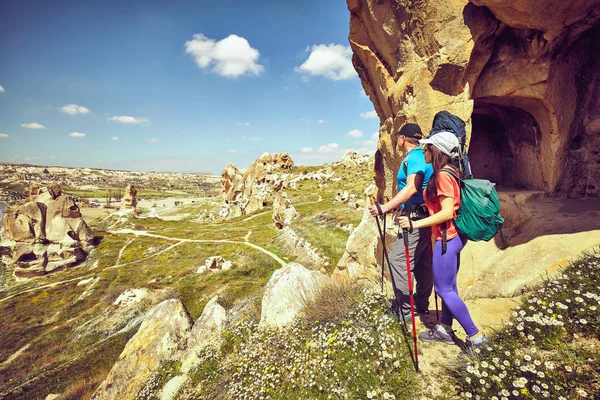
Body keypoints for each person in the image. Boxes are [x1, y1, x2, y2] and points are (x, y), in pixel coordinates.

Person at [398, 131, 489, 349]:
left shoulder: (442, 176)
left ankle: (475, 337)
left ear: (436, 150)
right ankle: (445, 329)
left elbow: (448, 212)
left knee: (443, 290)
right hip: (453, 237)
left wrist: (415, 224)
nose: (424, 150)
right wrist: (424, 207)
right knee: (450, 287)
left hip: (446, 239)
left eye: (427, 147)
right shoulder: (450, 171)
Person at [368, 123, 434, 321]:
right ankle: (421, 304)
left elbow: (412, 188)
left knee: (399, 262)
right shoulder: (424, 156)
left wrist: (384, 208)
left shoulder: (414, 157)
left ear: (403, 139)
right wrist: (399, 205)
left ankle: (405, 311)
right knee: (422, 262)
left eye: (398, 137)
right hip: (424, 214)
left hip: (414, 219)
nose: (397, 140)